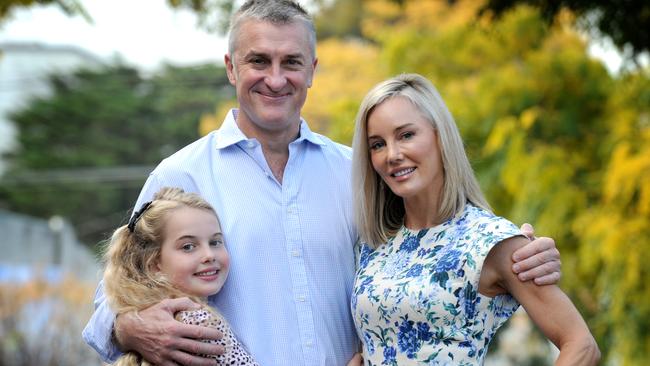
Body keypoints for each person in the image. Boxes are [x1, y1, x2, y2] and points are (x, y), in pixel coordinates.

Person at [83, 1, 562, 365]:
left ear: (312, 71)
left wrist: (519, 252)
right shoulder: (179, 175)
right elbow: (112, 299)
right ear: (231, 68)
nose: (275, 79)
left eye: (291, 62)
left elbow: (434, 244)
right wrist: (129, 329)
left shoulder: (360, 173)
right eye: (258, 61)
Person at [349, 73, 600, 365]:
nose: (392, 154)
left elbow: (582, 345)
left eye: (406, 135)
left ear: (439, 136)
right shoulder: (373, 244)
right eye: (377, 144)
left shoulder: (488, 240)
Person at [102, 187, 258, 365]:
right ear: (154, 263)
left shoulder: (147, 317)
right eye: (188, 246)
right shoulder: (200, 322)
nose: (209, 255)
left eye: (215, 242)